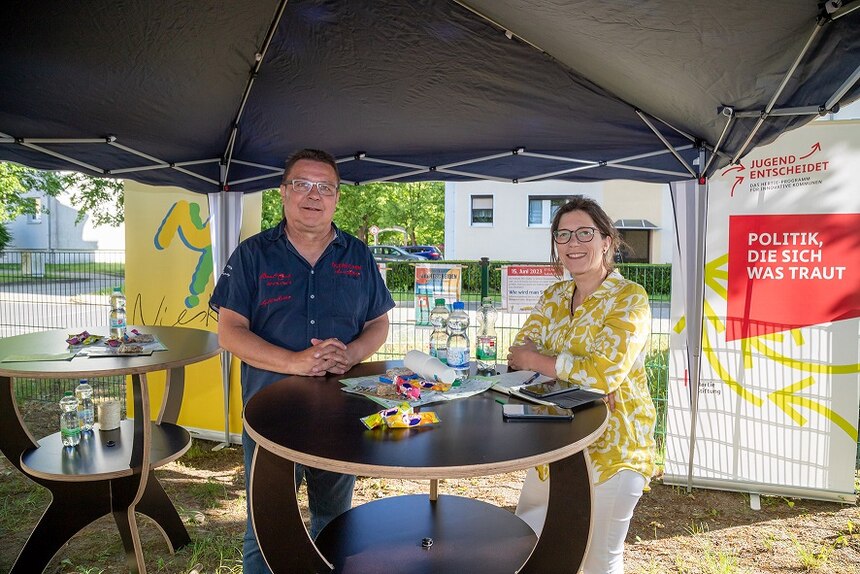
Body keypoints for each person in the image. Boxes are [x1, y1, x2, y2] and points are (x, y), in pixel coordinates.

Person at [209, 148, 395, 573]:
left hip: (339, 414)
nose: (314, 195)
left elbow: (378, 324)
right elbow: (229, 332)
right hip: (270, 414)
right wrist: (294, 362)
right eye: (302, 185)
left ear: (336, 198)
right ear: (283, 192)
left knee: (335, 521)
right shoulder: (251, 255)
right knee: (266, 524)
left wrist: (352, 353)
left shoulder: (359, 255)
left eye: (324, 187)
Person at [506, 195, 656, 574]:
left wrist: (541, 363)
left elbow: (604, 374)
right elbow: (516, 355)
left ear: (607, 240)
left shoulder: (629, 298)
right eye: (563, 235)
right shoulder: (554, 295)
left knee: (596, 559)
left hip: (613, 448)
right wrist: (571, 371)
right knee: (532, 546)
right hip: (553, 443)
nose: (573, 243)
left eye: (585, 233)